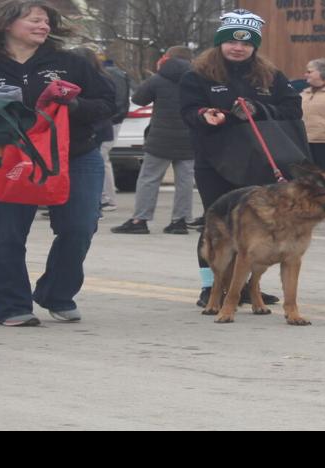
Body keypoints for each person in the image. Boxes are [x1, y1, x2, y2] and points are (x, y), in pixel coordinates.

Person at [0, 0, 116, 326]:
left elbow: (107, 103)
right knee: (7, 232)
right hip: (8, 159)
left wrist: (72, 106)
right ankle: (10, 305)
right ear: (6, 24)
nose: (42, 26)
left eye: (46, 22)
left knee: (79, 227)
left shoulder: (71, 62)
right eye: (34, 20)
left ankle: (56, 293)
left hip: (74, 157)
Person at [180, 9, 297, 309]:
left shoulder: (271, 76)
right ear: (220, 43)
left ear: (254, 47)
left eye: (246, 43)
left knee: (255, 226)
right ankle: (210, 287)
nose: (238, 47)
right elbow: (187, 110)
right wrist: (205, 115)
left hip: (257, 162)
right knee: (217, 225)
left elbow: (292, 109)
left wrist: (260, 110)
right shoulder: (198, 75)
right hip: (215, 160)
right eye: (231, 41)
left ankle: (246, 287)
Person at [113, 46, 198, 235]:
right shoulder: (198, 79)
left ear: (167, 58)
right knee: (185, 181)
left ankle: (140, 220)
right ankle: (180, 221)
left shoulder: (158, 78)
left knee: (149, 179)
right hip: (189, 138)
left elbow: (139, 99)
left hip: (160, 138)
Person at [98, 50, 132, 211]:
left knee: (100, 159)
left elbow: (116, 101)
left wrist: (109, 119)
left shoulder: (109, 74)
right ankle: (106, 198)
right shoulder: (118, 73)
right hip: (112, 120)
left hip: (108, 122)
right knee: (102, 159)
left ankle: (106, 199)